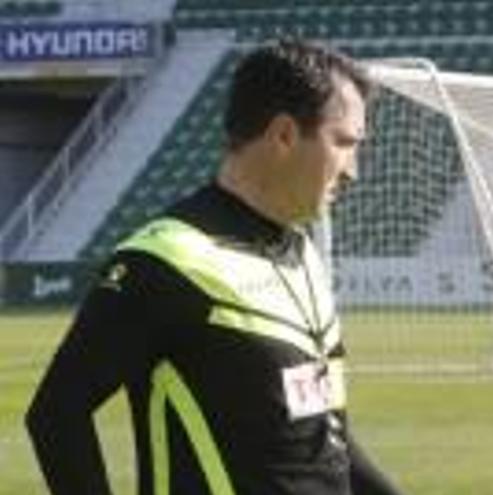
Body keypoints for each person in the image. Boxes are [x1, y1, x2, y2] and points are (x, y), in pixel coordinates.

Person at [26, 39, 406, 495]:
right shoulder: (164, 261)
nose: (353, 170)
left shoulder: (303, 255)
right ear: (284, 135)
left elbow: (327, 439)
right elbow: (57, 414)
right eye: (344, 142)